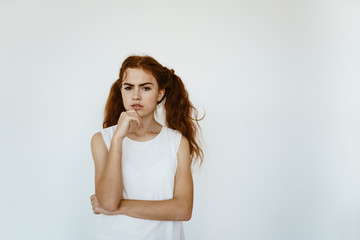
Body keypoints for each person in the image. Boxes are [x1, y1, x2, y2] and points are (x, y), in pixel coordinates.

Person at [89, 55, 204, 240]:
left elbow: (183, 210)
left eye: (145, 88)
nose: (136, 95)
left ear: (160, 93)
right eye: (129, 87)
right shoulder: (102, 140)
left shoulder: (176, 143)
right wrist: (118, 138)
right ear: (121, 91)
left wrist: (123, 206)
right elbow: (109, 202)